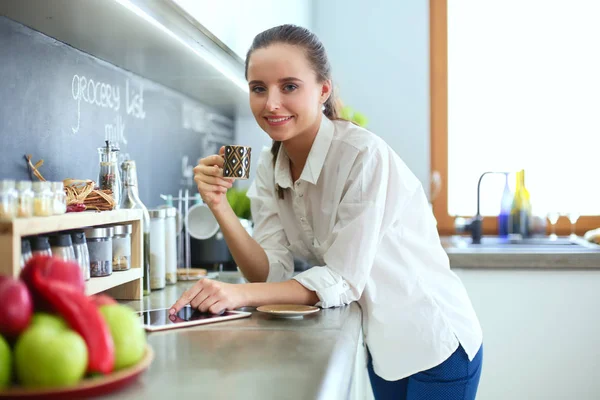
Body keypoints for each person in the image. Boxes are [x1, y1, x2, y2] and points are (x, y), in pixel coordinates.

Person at [170, 24, 483, 400]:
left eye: (289, 86)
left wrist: (239, 296)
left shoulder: (361, 156)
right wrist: (219, 206)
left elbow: (343, 279)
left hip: (436, 343)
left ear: (323, 89)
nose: (271, 103)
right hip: (384, 350)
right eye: (258, 88)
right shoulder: (271, 168)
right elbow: (271, 271)